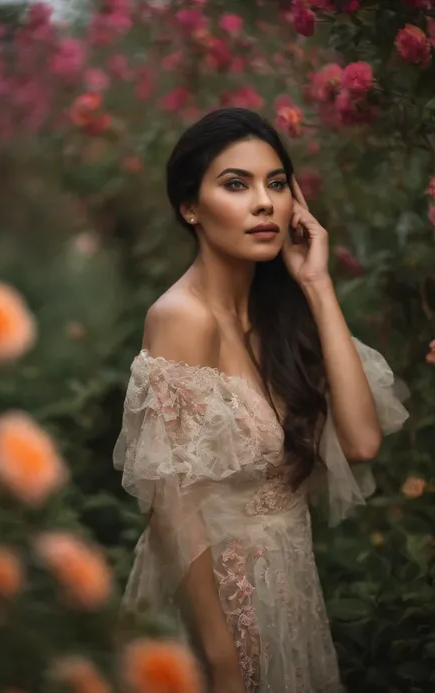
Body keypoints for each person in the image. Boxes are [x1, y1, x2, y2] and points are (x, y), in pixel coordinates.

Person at [113, 108, 408, 693]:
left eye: (276, 183)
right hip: (216, 610)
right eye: (235, 184)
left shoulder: (279, 316)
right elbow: (171, 511)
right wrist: (222, 661)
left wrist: (317, 285)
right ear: (189, 206)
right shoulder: (180, 319)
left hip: (290, 589)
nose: (264, 203)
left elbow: (363, 442)